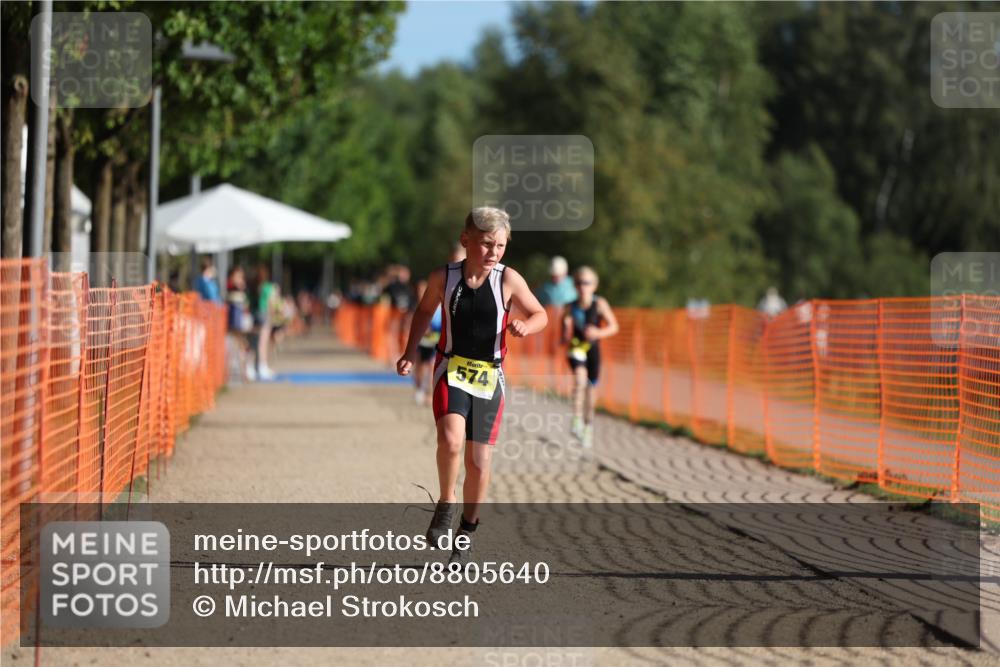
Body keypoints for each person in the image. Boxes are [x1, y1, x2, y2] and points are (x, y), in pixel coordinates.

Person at [397, 207, 547, 567]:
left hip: (489, 376)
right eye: (486, 244)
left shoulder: (508, 279)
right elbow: (424, 311)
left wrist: (527, 326)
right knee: (450, 440)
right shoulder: (444, 277)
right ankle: (446, 503)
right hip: (451, 368)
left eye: (500, 246)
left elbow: (540, 314)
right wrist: (409, 351)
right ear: (466, 240)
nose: (494, 252)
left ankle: (467, 531)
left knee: (479, 462)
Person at [561, 266, 619, 447]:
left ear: (594, 285)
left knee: (590, 390)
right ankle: (576, 419)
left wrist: (598, 332)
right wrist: (564, 332)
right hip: (576, 347)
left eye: (586, 283)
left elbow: (614, 326)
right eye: (578, 283)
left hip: (593, 349)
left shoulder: (599, 304)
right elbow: (563, 322)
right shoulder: (570, 306)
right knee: (580, 380)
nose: (582, 287)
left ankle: (588, 426)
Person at [408, 279, 442, 406]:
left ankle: (430, 393)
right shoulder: (416, 305)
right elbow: (410, 322)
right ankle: (419, 389)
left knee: (432, 366)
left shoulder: (439, 304)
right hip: (422, 342)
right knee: (420, 366)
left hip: (436, 342)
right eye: (418, 290)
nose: (420, 292)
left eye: (423, 290)